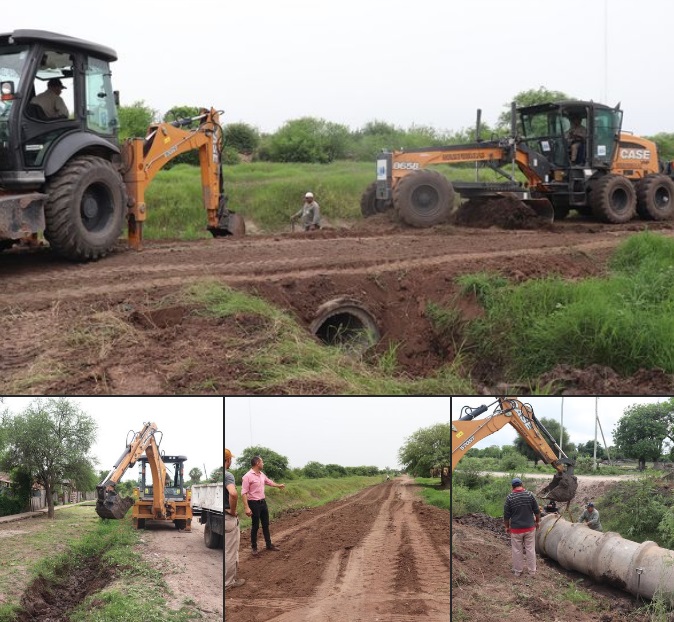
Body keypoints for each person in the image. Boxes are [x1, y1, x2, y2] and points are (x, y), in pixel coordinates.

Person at [241, 455, 286, 555]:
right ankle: (254, 548)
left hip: (263, 502)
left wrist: (278, 485)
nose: (263, 463)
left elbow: (269, 482)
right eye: (262, 462)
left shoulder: (262, 474)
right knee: (255, 526)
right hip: (253, 503)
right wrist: (246, 507)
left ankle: (269, 545)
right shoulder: (247, 476)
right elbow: (244, 492)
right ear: (257, 463)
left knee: (266, 525)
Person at [503, 477, 541, 577]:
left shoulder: (510, 497)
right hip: (529, 528)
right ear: (522, 484)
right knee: (530, 549)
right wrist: (537, 522)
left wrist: (507, 527)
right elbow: (537, 511)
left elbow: (506, 516)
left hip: (516, 530)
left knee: (517, 550)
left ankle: (518, 571)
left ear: (512, 487)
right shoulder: (530, 495)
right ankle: (532, 571)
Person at [225, 448, 245, 590]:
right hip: (227, 518)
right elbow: (233, 493)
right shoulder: (227, 475)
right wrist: (232, 511)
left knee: (227, 550)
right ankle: (228, 582)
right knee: (231, 552)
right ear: (228, 460)